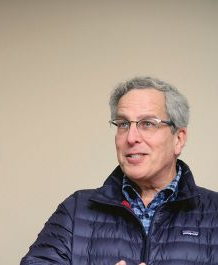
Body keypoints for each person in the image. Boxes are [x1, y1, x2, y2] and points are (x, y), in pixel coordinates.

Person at [20, 76, 218, 265]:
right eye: (123, 124)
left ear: (179, 139)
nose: (131, 138)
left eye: (147, 123)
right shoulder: (75, 210)